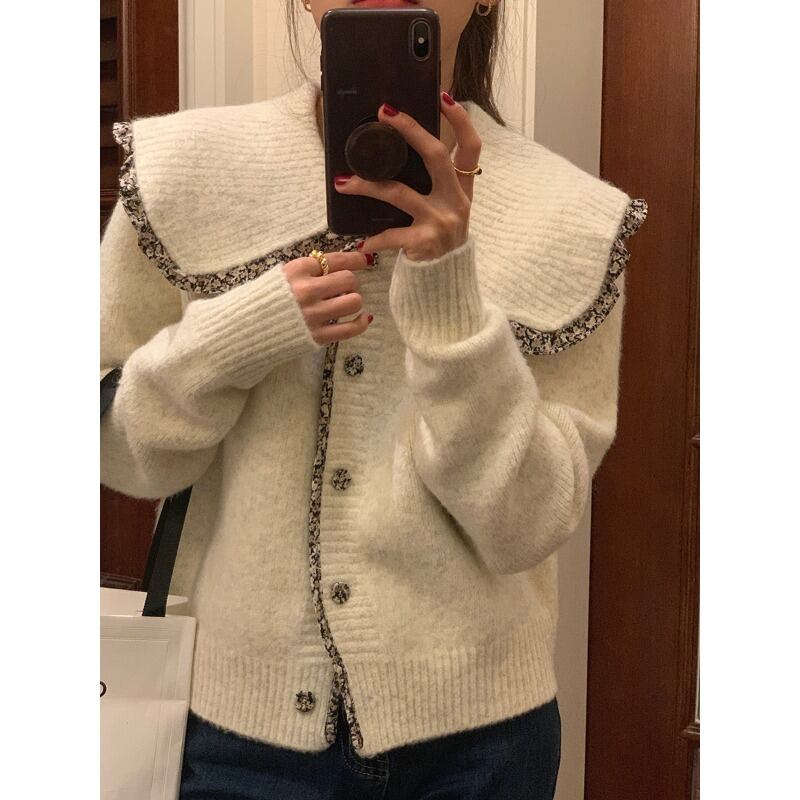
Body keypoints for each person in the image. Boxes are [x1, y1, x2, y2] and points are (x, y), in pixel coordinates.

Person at [100, 1, 647, 797]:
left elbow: (526, 525)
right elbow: (119, 455)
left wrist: (452, 310)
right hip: (237, 740)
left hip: (480, 752)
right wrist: (240, 332)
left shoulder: (570, 219)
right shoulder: (186, 169)